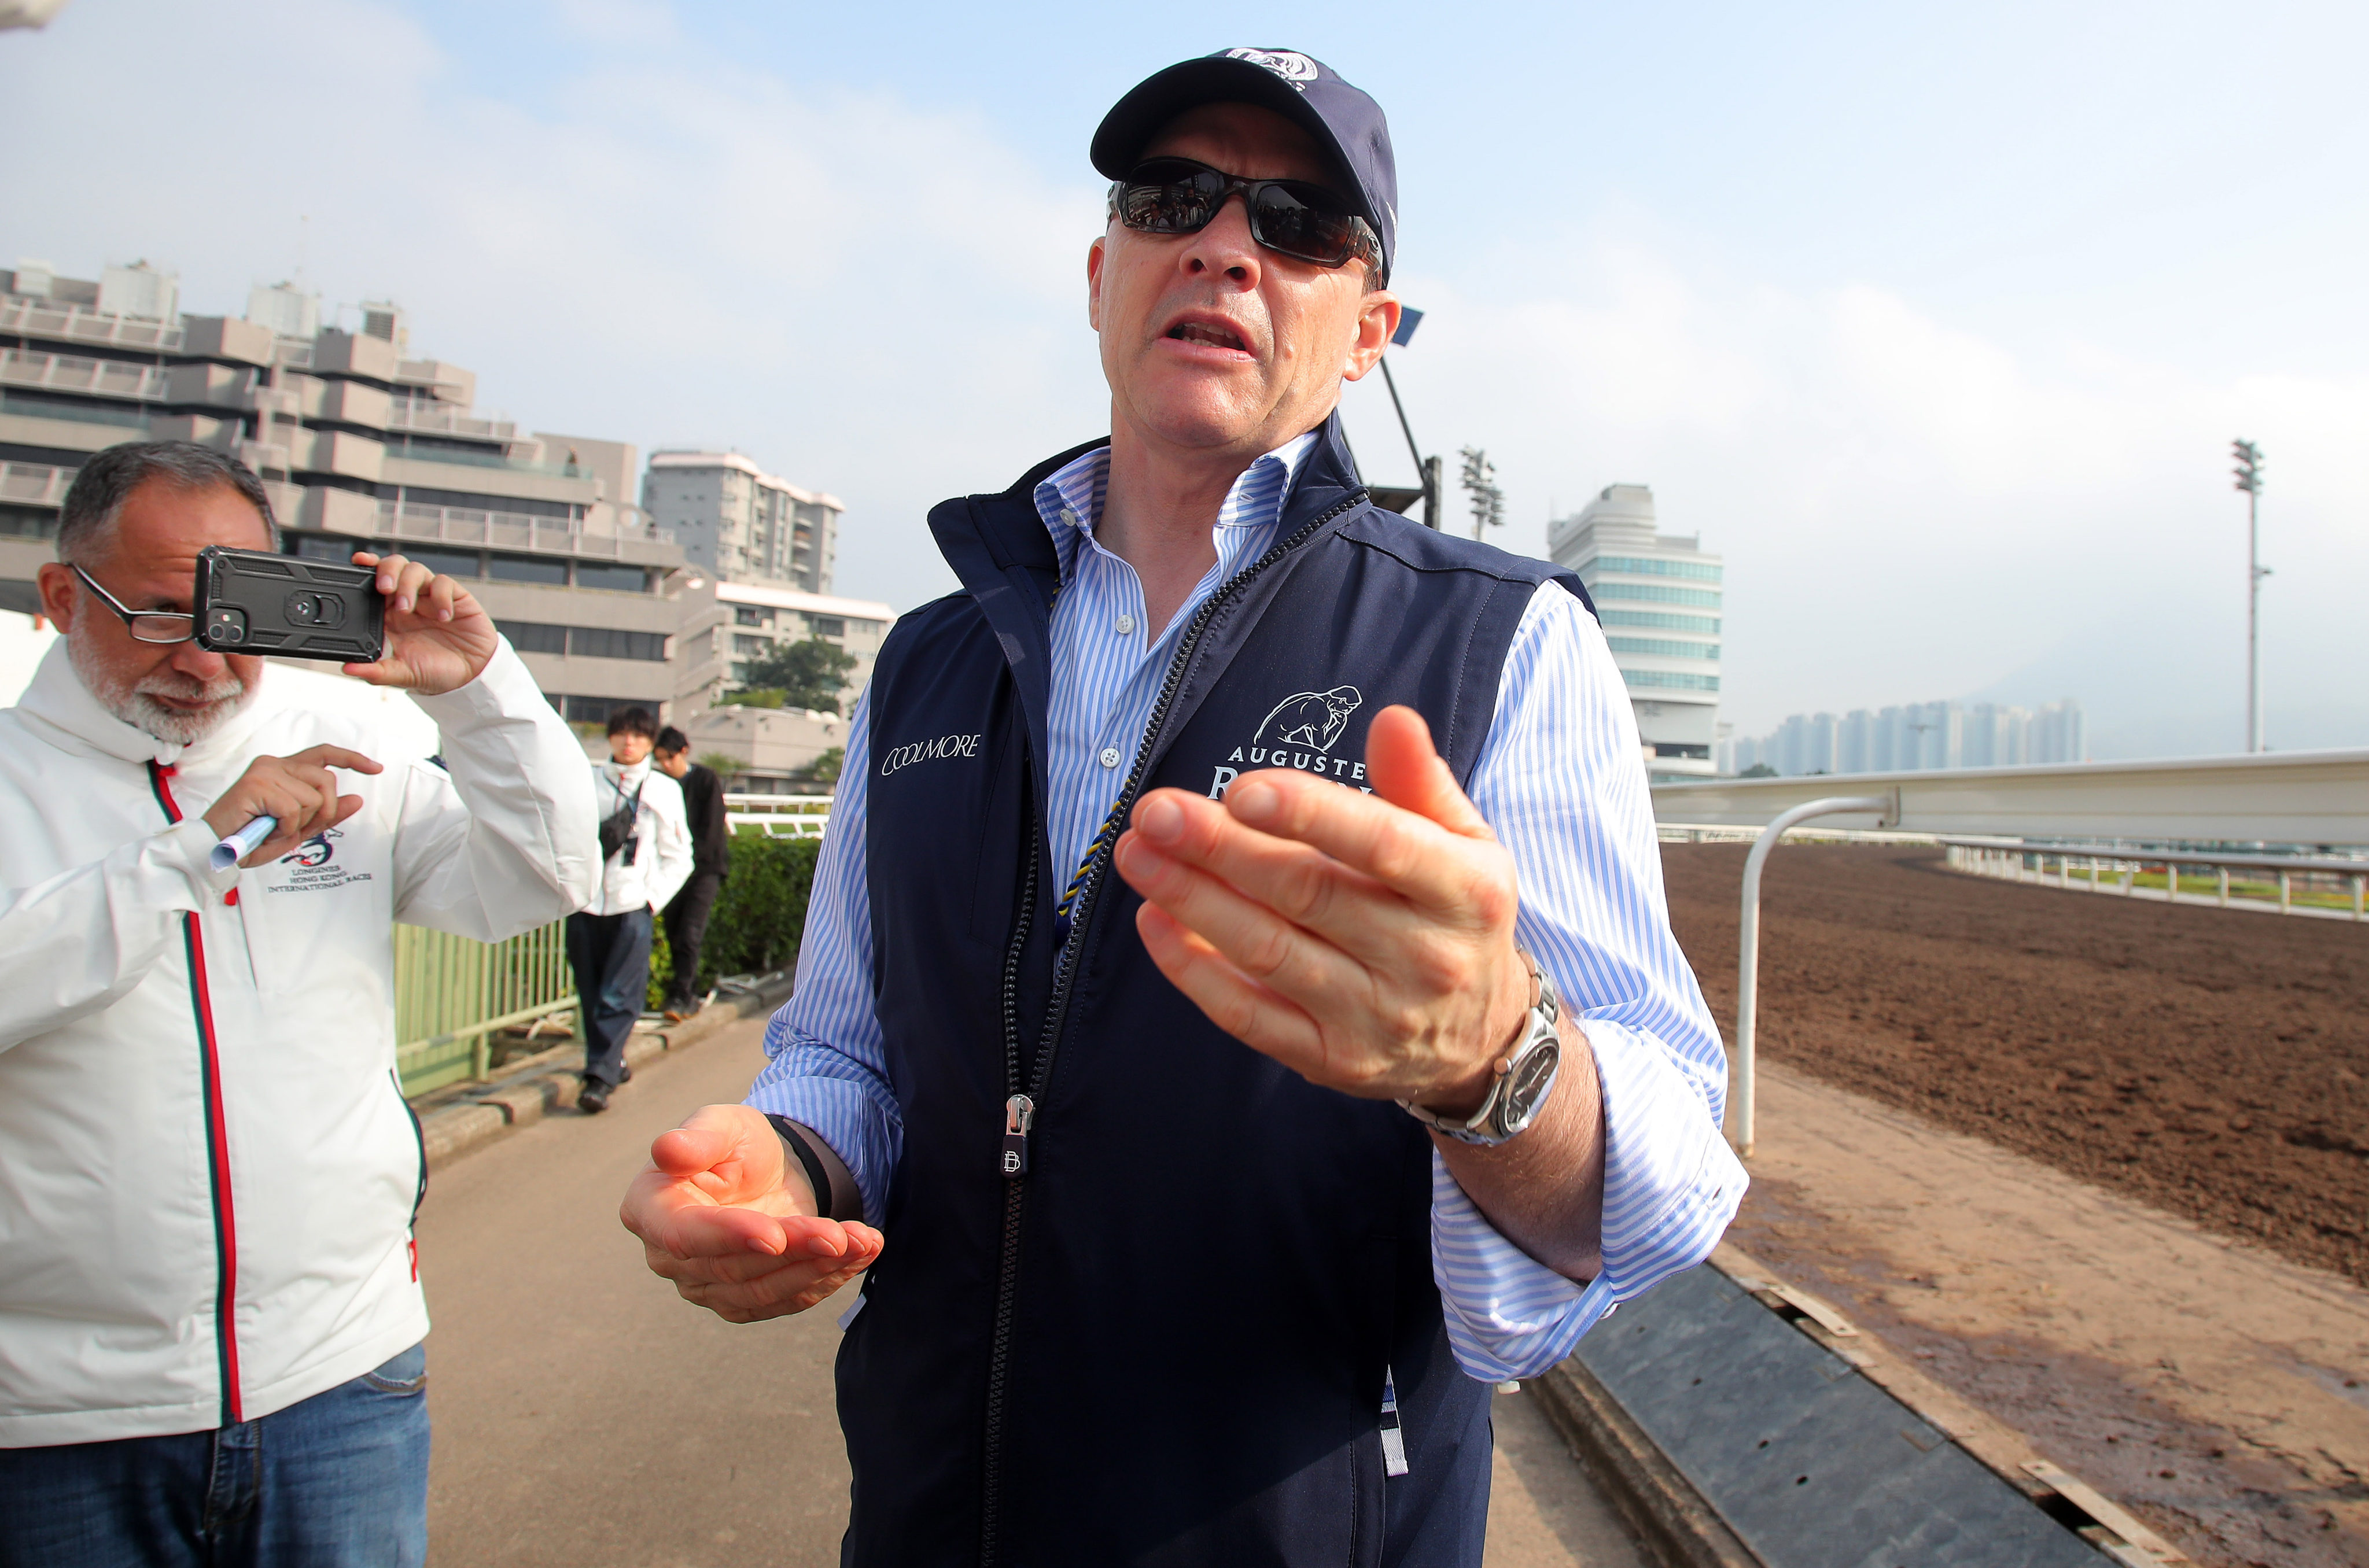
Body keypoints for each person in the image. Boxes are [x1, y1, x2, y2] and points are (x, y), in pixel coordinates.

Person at [622, 49, 1747, 1565]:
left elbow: (1652, 1187)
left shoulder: (1496, 645)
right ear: (1104, 274)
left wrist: (1492, 1053)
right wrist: (787, 1162)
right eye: (1173, 198)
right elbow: (841, 1048)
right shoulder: (928, 661)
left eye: (1292, 220)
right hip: (926, 1512)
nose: (1222, 243)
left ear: (1368, 335)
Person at [0, 440, 599, 1566]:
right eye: (162, 612)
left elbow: (555, 872)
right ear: (59, 595)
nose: (206, 660)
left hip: (342, 1373)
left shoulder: (342, 763)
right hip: (56, 1419)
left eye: (235, 614)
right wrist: (199, 852)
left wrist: (481, 687)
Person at [570, 705, 690, 1113]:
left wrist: (649, 900)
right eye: (622, 734)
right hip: (585, 904)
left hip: (632, 904)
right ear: (610, 737)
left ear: (650, 743)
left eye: (639, 736)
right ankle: (609, 1061)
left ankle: (597, 1078)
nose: (629, 742)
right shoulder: (585, 782)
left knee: (619, 993)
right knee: (590, 992)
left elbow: (679, 855)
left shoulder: (663, 789)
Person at [652, 725, 730, 1020]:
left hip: (704, 870)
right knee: (674, 933)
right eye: (660, 759)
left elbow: (712, 828)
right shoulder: (659, 784)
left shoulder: (705, 780)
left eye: (670, 758)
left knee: (689, 933)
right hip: (673, 872)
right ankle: (688, 990)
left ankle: (680, 997)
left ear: (684, 751)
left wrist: (690, 861)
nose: (666, 765)